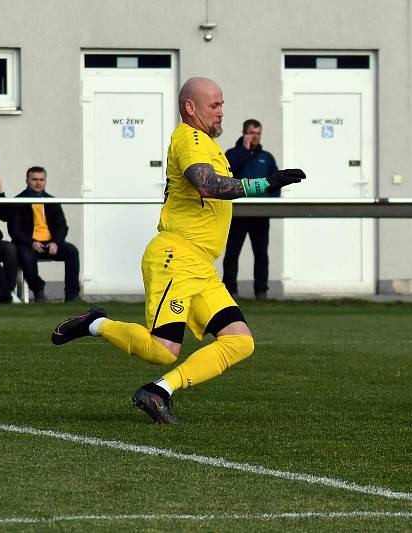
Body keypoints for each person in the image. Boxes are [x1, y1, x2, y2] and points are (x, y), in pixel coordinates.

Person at [51, 77, 305, 425]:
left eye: (222, 104)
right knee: (162, 349)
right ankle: (96, 324)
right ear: (190, 107)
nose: (221, 112)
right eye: (215, 105)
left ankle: (158, 392)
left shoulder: (209, 144)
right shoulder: (190, 138)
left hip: (199, 264)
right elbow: (207, 184)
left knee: (240, 342)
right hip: (176, 256)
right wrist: (264, 182)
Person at [223, 119, 279, 300]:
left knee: (261, 253)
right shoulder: (232, 154)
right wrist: (244, 151)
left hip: (260, 213)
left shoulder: (267, 157)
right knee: (232, 252)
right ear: (244, 133)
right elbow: (227, 172)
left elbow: (275, 183)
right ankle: (230, 291)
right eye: (252, 133)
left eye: (258, 133)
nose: (255, 137)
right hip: (237, 213)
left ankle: (261, 291)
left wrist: (271, 202)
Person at [8, 167, 81, 303]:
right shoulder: (18, 201)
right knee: (25, 256)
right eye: (34, 179)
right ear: (27, 181)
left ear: (45, 181)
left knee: (72, 251)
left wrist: (55, 242)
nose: (38, 183)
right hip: (28, 244)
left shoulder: (51, 201)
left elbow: (62, 227)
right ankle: (38, 291)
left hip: (50, 244)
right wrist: (32, 242)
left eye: (41, 180)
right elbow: (14, 230)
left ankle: (72, 295)